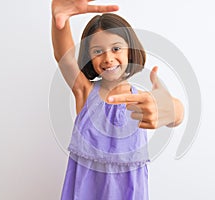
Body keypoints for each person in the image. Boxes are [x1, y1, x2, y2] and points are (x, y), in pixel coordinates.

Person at [51, 0, 184, 199]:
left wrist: (170, 109)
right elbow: (65, 58)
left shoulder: (141, 100)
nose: (108, 58)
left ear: (130, 49)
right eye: (97, 51)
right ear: (88, 57)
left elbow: (175, 112)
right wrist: (59, 20)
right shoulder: (84, 92)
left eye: (116, 48)